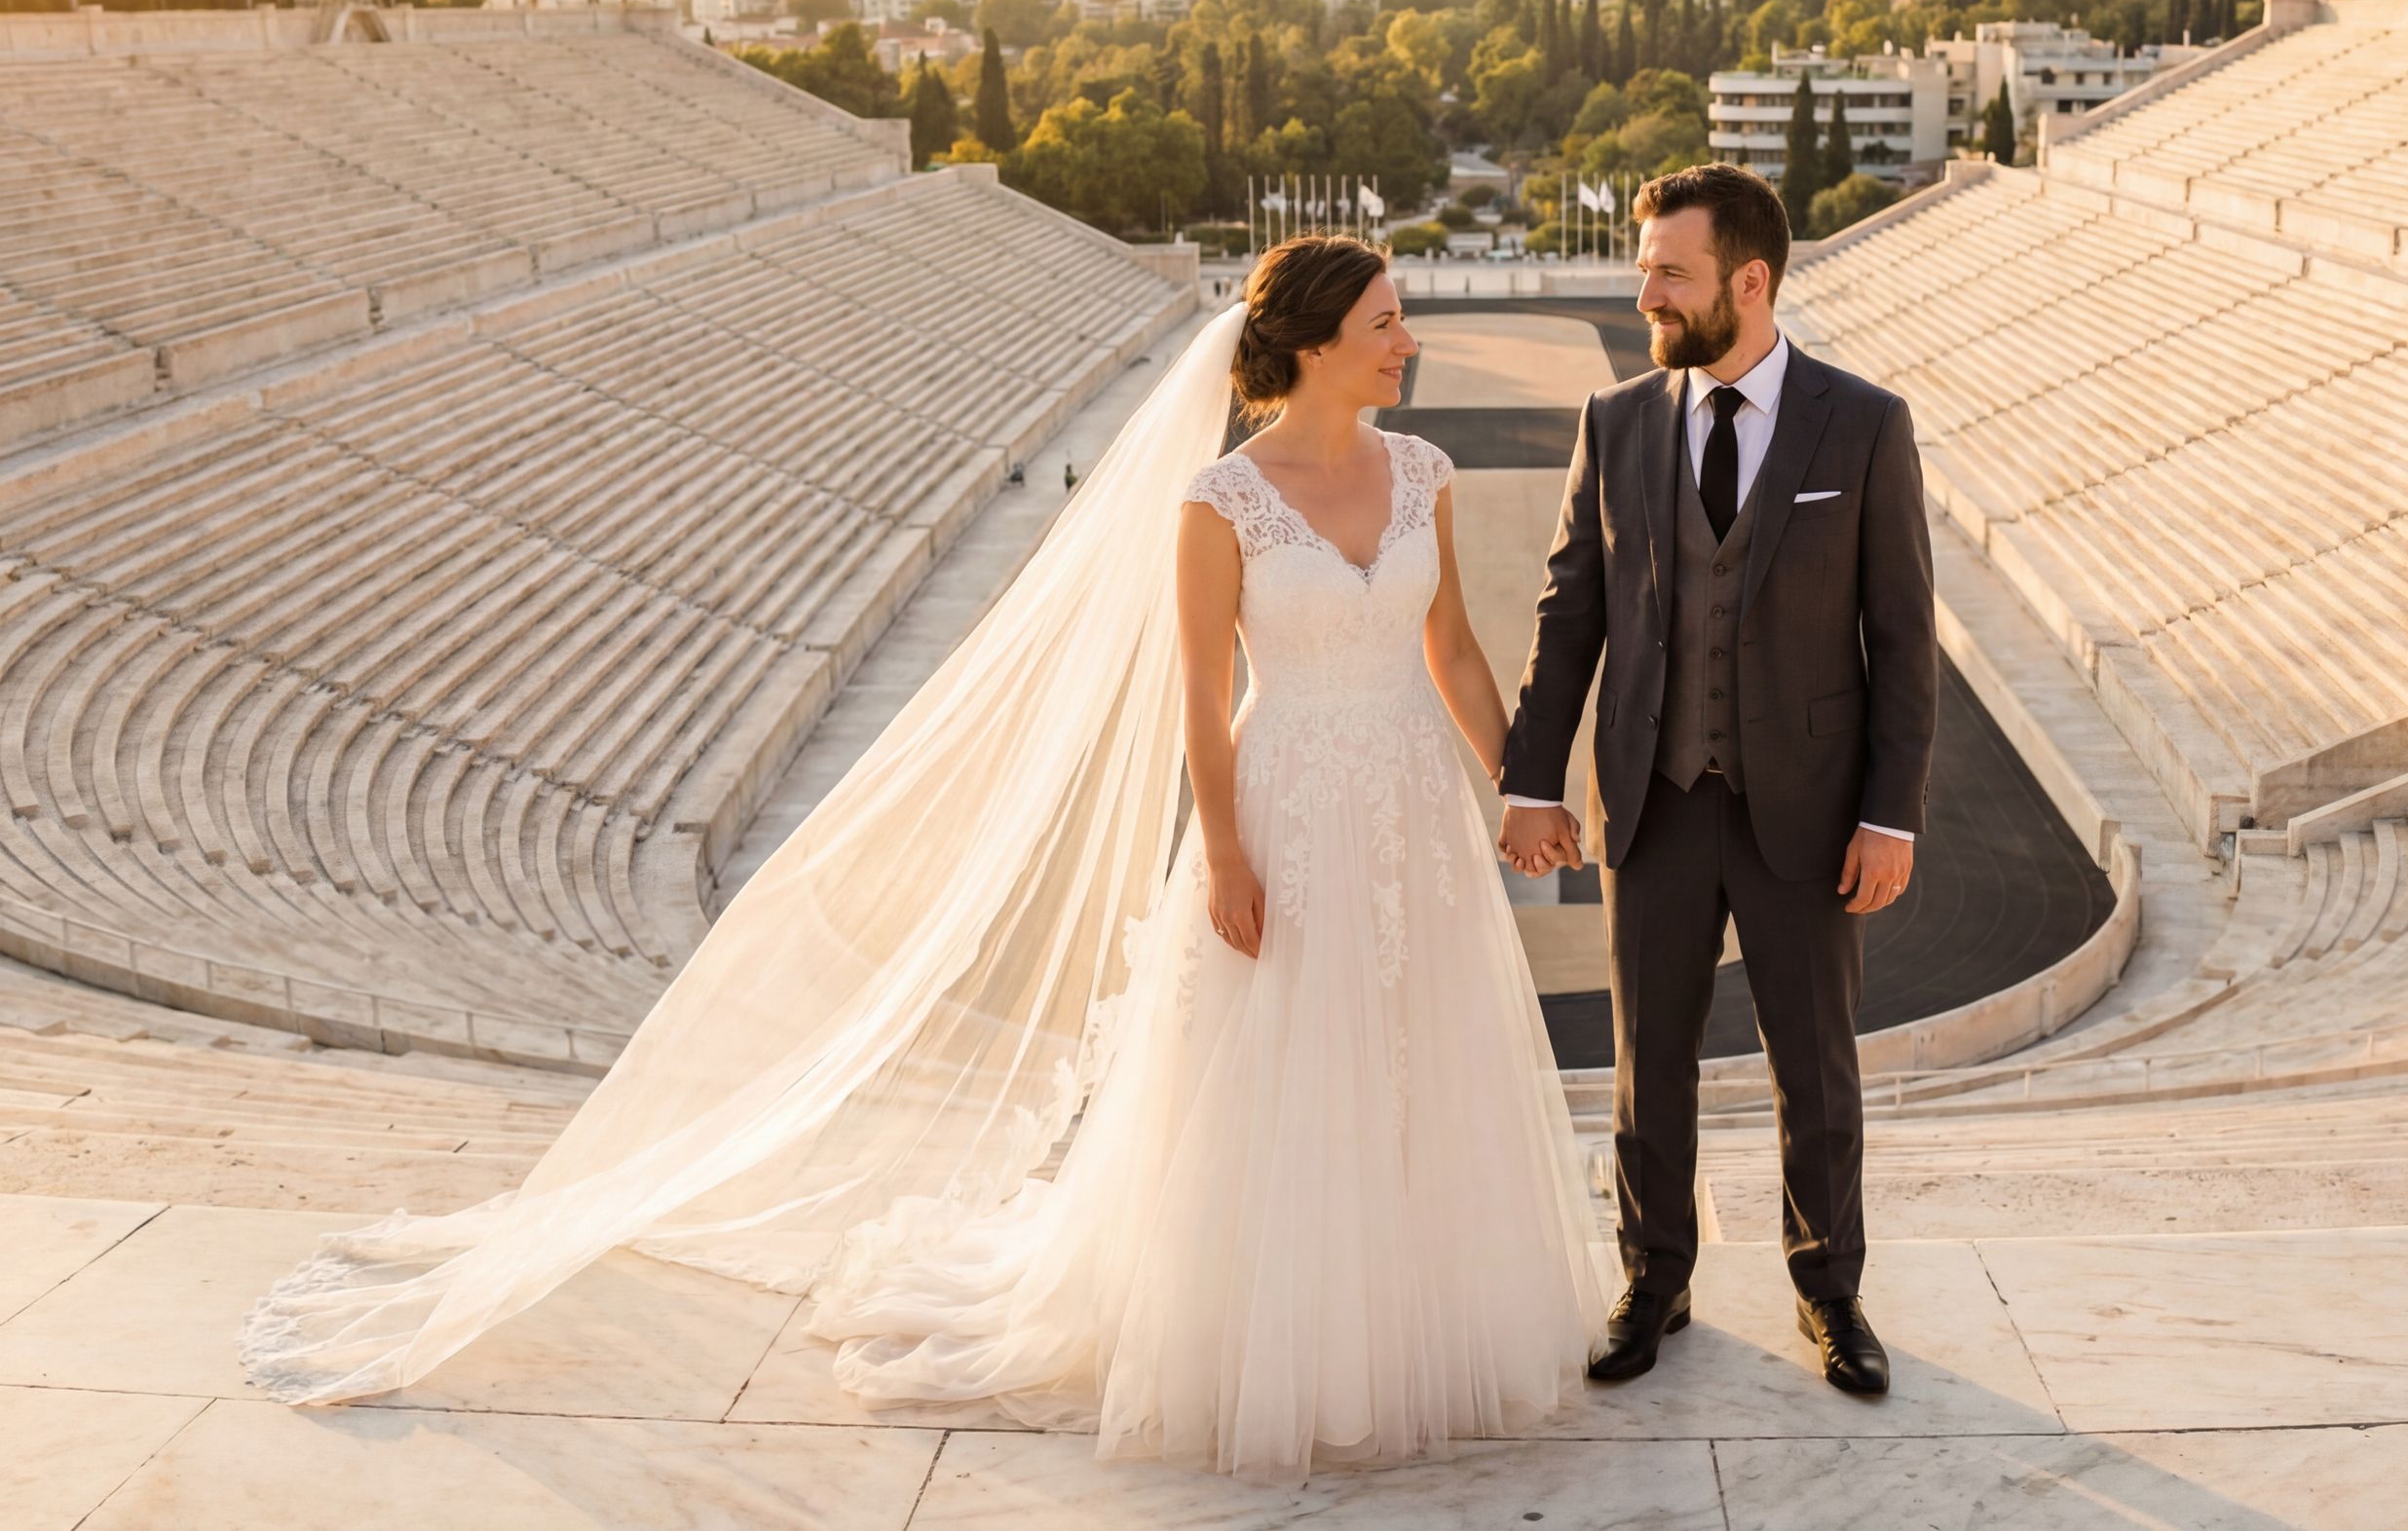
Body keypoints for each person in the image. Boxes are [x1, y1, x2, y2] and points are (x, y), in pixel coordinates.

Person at [245, 236, 1606, 1482]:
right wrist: (1225, 856)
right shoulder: (1221, 501)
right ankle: (1280, 1328)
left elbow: (1458, 652)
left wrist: (1518, 786)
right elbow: (1199, 698)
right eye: (1384, 318)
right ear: (1314, 340)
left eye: (1400, 318)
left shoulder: (1418, 473)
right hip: (1289, 801)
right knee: (1282, 1071)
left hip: (1413, 814)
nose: (1406, 336)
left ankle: (1410, 1306)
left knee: (1417, 1054)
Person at [1497, 163, 1938, 1397]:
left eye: (1668, 272)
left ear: (1749, 281)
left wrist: (1889, 813)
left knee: (1817, 1064)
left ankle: (1830, 1292)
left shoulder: (1863, 425)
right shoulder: (1619, 420)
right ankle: (1655, 1277)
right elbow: (1568, 609)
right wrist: (1532, 780)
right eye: (1646, 267)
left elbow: (1903, 640)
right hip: (1654, 794)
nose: (1644, 290)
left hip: (1808, 806)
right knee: (1655, 1063)